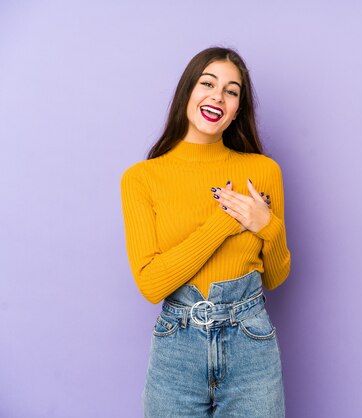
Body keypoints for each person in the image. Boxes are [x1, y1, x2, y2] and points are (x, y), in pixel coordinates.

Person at [120, 46, 291, 417]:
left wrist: (268, 226)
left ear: (236, 111)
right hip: (176, 349)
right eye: (207, 83)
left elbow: (276, 277)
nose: (218, 96)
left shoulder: (263, 171)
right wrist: (223, 223)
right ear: (188, 93)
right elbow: (151, 285)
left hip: (251, 342)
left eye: (231, 91)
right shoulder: (142, 179)